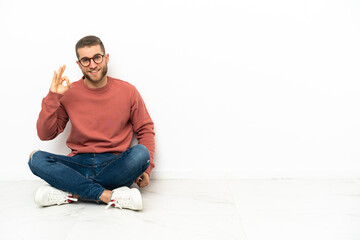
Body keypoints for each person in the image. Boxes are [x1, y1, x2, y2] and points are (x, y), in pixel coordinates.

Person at [28, 35, 155, 210]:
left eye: (97, 57)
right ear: (79, 64)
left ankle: (73, 191)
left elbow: (145, 130)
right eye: (85, 60)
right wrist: (53, 96)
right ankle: (107, 195)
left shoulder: (128, 91)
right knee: (36, 159)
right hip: (79, 164)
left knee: (142, 153)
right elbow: (45, 134)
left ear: (106, 58)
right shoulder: (69, 93)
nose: (92, 65)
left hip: (114, 164)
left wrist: (147, 170)